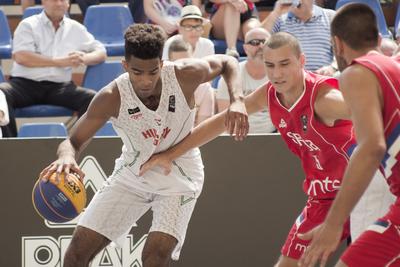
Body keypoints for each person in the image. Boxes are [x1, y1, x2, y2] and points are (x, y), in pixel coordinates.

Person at [140, 31, 366, 267]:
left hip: (361, 190)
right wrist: (169, 154)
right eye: (270, 65)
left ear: (302, 61)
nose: (277, 74)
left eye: (284, 64)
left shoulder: (325, 100)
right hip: (322, 197)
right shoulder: (270, 95)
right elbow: (219, 123)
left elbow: (376, 112)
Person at [39, 23, 247, 267]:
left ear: (161, 63)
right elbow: (73, 141)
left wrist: (238, 100)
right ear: (125, 66)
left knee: (154, 258)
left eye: (153, 71)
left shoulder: (184, 75)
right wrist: (67, 157)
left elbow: (227, 62)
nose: (146, 80)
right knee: (75, 255)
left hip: (180, 174)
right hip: (132, 174)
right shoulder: (111, 96)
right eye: (137, 72)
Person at [298, 4, 400, 267]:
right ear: (379, 39)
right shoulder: (393, 67)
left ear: (337, 44)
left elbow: (371, 147)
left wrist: (332, 225)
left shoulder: (356, 72)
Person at [0, 0, 106, 137]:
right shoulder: (28, 25)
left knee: (93, 99)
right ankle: (9, 148)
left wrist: (83, 58)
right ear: (44, 2)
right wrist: (61, 62)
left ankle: (76, 145)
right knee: (1, 93)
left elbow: (101, 52)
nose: (59, 3)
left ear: (68, 4)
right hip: (24, 85)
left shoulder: (76, 28)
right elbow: (21, 57)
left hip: (60, 87)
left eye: (63, 0)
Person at [217, 27, 275, 133]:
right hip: (238, 138)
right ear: (245, 48)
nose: (261, 46)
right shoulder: (231, 75)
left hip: (274, 137)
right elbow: (224, 116)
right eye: (254, 42)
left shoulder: (280, 74)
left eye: (265, 42)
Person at [261, 0, 337, 74]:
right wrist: (276, 13)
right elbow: (257, 40)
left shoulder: (330, 16)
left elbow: (343, 50)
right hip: (290, 79)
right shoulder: (280, 19)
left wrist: (332, 68)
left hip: (323, 78)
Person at [168, 37, 215, 125]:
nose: (183, 67)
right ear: (169, 62)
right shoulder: (160, 87)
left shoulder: (204, 88)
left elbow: (203, 128)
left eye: (187, 62)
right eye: (178, 63)